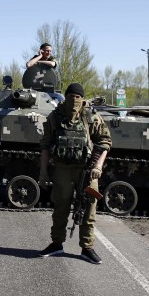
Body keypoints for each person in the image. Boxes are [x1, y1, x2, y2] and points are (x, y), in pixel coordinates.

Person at [38, 83, 112, 264]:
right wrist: (43, 172)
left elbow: (104, 143)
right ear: (66, 97)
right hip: (62, 169)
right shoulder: (56, 116)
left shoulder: (91, 116)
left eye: (77, 96)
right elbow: (45, 146)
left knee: (89, 208)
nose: (74, 100)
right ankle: (57, 243)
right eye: (70, 96)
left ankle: (87, 247)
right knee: (60, 208)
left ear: (82, 98)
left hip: (87, 170)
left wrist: (98, 167)